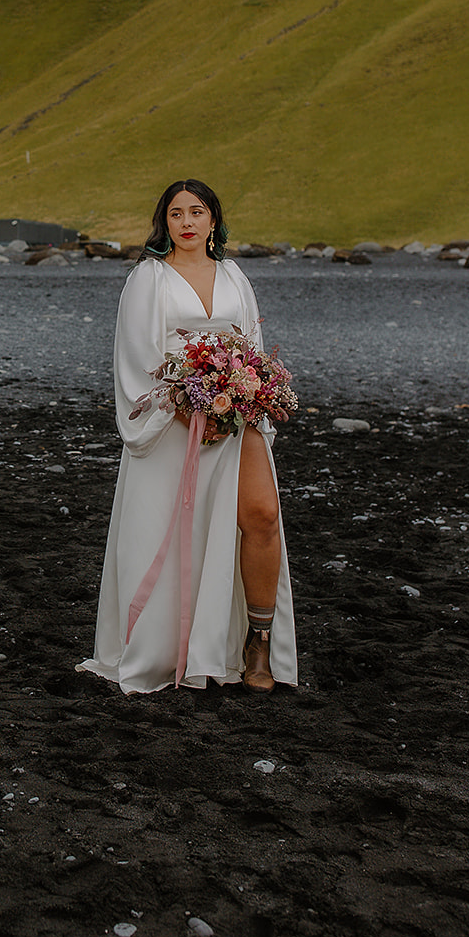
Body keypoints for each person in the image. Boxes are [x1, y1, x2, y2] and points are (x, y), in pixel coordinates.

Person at [79, 179, 297, 695]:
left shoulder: (235, 275)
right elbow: (136, 361)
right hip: (174, 426)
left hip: (237, 418)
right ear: (165, 223)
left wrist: (249, 395)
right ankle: (175, 649)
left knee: (262, 515)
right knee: (181, 534)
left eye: (197, 212)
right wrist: (187, 409)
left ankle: (257, 645)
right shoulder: (147, 279)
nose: (187, 222)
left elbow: (253, 346)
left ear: (213, 221)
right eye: (176, 214)